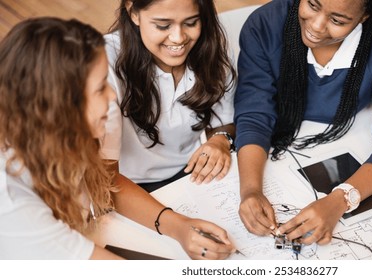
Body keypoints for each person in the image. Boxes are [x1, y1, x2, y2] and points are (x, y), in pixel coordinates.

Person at [0, 17, 235, 260]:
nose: (113, 95)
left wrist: (179, 226)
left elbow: (105, 182)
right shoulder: (9, 196)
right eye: (101, 87)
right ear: (59, 106)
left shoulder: (56, 137)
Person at [234, 0, 372, 245]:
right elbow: (253, 113)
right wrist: (251, 191)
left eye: (337, 21)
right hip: (277, 153)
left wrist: (341, 200)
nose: (317, 26)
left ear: (364, 17)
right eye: (312, 4)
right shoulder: (265, 25)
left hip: (348, 141)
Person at [100, 0, 238, 259]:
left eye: (191, 23)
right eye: (162, 25)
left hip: (190, 176)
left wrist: (220, 139)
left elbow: (223, 120)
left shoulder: (211, 47)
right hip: (127, 189)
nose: (179, 38)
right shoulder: (104, 65)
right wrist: (178, 227)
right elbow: (103, 180)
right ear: (133, 13)